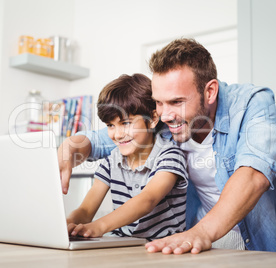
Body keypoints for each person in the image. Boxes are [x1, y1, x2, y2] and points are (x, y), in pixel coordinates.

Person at [58, 38, 276, 254]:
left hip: (247, 242)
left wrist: (202, 232)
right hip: (192, 238)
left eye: (176, 102)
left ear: (209, 91)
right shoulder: (165, 119)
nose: (165, 115)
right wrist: (70, 147)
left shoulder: (253, 103)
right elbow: (107, 136)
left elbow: (253, 176)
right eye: (159, 103)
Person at [63, 73, 188, 240]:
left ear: (152, 119)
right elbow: (86, 210)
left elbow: (147, 200)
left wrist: (99, 226)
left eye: (126, 123)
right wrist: (68, 224)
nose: (118, 134)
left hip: (165, 247)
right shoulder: (111, 161)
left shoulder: (170, 156)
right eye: (110, 125)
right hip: (122, 244)